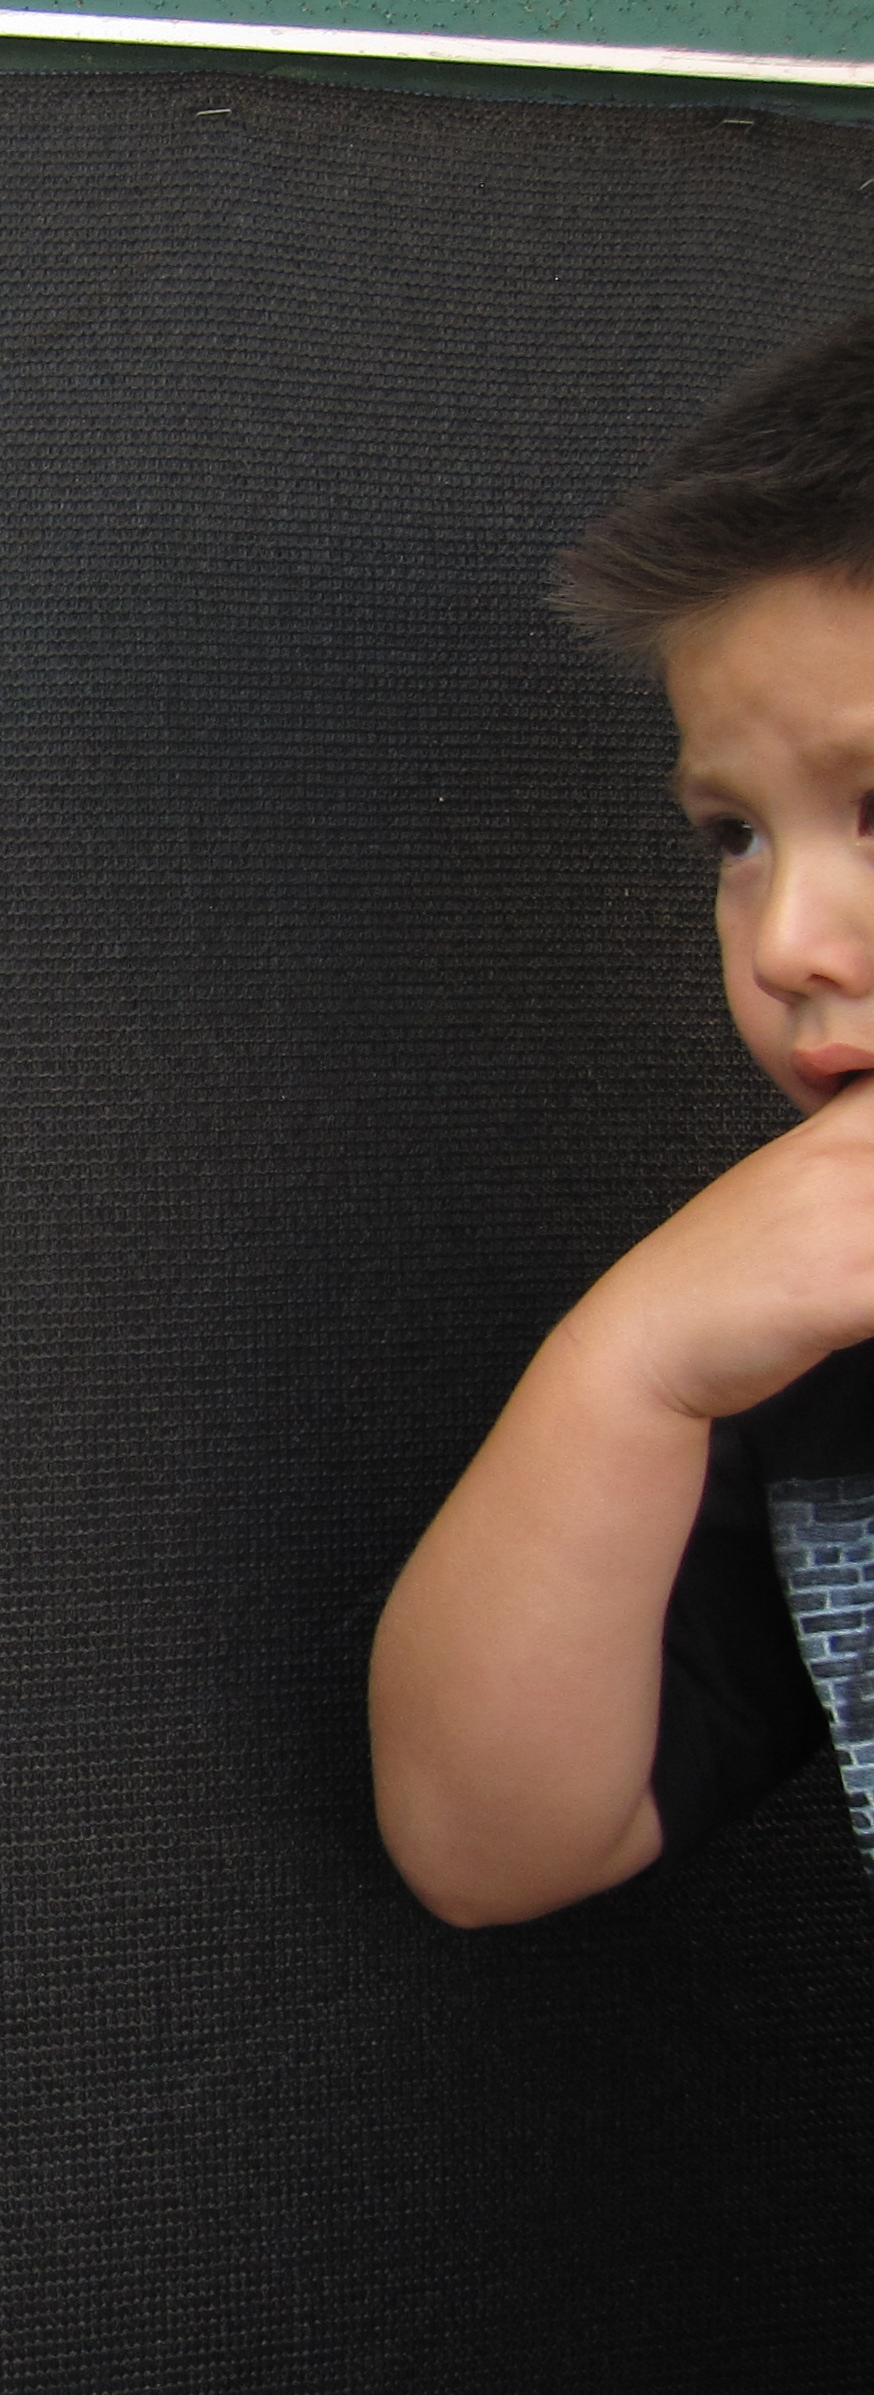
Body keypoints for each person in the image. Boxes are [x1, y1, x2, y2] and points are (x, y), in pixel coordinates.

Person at [374, 309, 874, 1927]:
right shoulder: (822, 1359)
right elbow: (487, 1842)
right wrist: (635, 1367)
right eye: (737, 837)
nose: (788, 940)